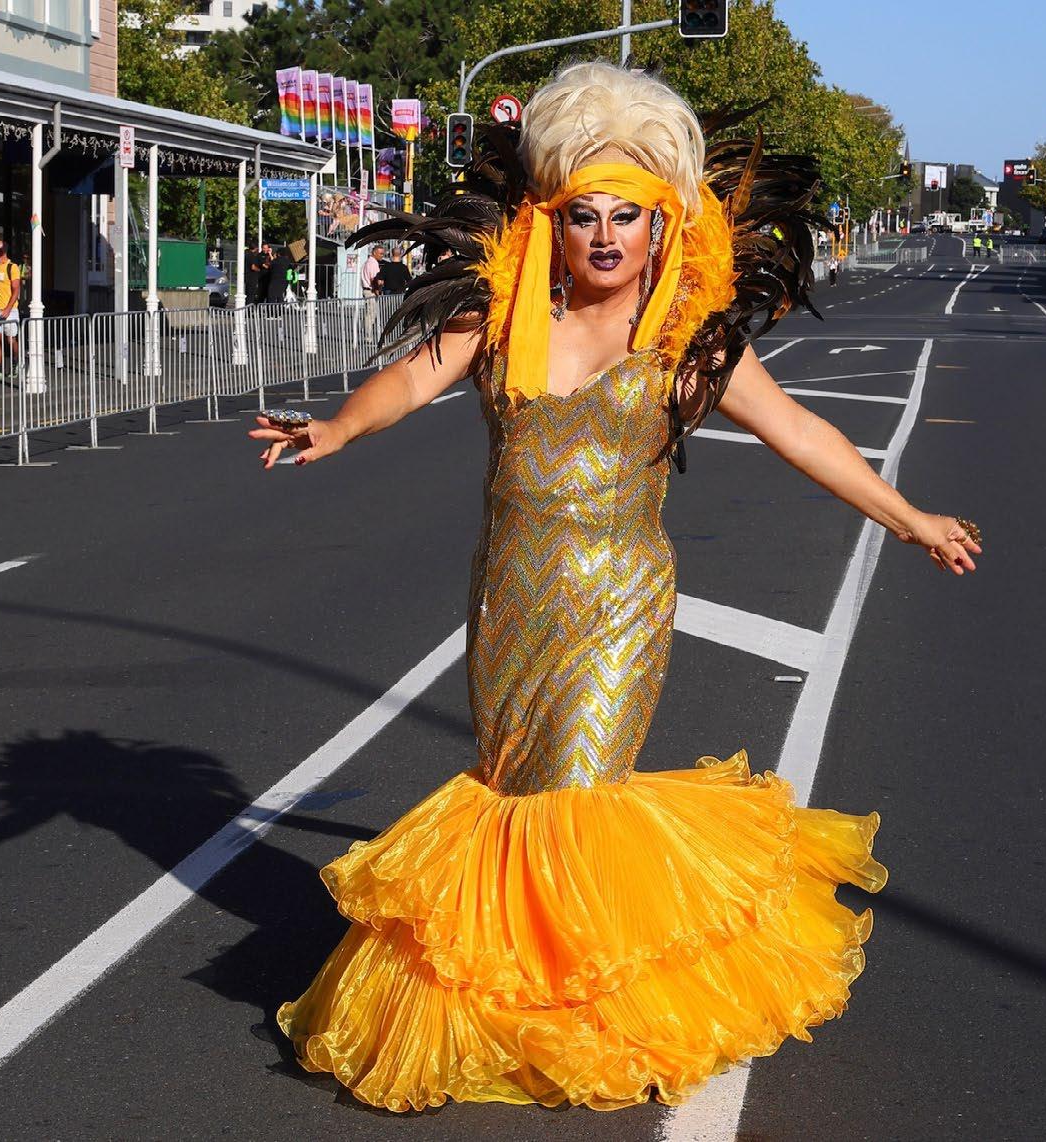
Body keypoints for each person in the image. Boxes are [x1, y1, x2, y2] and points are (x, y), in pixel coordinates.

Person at [253, 60, 983, 1113]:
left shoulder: (686, 343)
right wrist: (335, 427)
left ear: (660, 225)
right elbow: (410, 378)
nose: (604, 236)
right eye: (584, 216)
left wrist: (909, 518)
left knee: (579, 790)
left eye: (625, 216)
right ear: (552, 222)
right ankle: (527, 992)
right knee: (517, 795)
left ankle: (590, 1016)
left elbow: (797, 431)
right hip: (509, 596)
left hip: (619, 603)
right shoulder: (501, 316)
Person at [0, 239, 22, 382]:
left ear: (2, 251)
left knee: (11, 339)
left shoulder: (12, 267)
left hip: (10, 309)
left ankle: (16, 362)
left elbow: (16, 290)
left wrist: (8, 308)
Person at [360, 243, 383, 339]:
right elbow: (374, 279)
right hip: (371, 291)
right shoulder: (372, 263)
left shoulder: (368, 262)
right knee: (370, 314)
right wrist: (377, 289)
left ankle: (367, 334)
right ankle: (368, 336)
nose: (382, 256)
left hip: (369, 290)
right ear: (374, 253)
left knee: (370, 314)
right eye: (380, 253)